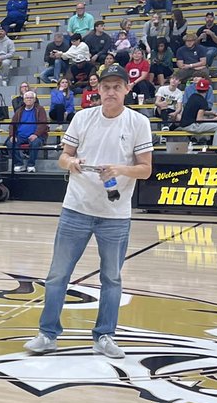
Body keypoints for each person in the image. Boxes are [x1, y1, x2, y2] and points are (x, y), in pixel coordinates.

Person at [25, 64, 153, 360]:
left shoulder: (138, 122)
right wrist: (71, 163)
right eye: (106, 86)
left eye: (116, 87)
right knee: (57, 275)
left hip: (116, 215)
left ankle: (105, 336)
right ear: (98, 89)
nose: (111, 92)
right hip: (76, 208)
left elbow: (145, 170)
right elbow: (62, 157)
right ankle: (47, 334)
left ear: (126, 89)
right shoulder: (82, 118)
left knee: (112, 278)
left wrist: (119, 169)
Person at [178, 77, 217, 146]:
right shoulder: (203, 101)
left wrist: (211, 113)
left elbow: (196, 111)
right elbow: (199, 119)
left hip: (184, 124)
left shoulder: (193, 96)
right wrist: (213, 120)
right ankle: (215, 149)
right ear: (207, 90)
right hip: (192, 126)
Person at [7, 90, 47, 172]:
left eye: (31, 98)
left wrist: (36, 134)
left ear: (35, 99)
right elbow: (12, 124)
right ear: (24, 100)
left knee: (35, 142)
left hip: (36, 135)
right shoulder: (19, 111)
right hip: (20, 136)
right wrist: (12, 135)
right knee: (10, 143)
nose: (29, 99)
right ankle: (19, 164)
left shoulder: (40, 109)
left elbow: (43, 124)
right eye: (27, 98)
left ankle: (31, 165)